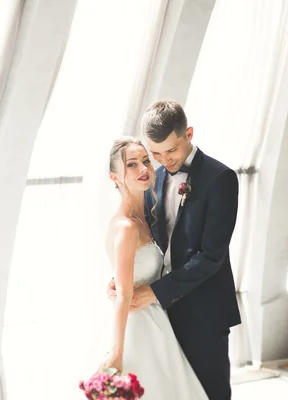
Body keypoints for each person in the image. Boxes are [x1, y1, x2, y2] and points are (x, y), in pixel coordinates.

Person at [108, 100, 241, 400]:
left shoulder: (221, 179)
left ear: (189, 134)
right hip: (160, 319)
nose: (164, 160)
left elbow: (211, 256)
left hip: (204, 312)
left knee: (211, 393)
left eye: (171, 150)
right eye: (155, 153)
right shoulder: (152, 179)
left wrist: (155, 292)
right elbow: (148, 244)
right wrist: (122, 280)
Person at [99, 136, 208, 399]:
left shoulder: (145, 219)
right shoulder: (126, 227)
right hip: (136, 328)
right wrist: (117, 352)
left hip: (157, 321)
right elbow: (124, 294)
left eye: (146, 161)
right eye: (132, 165)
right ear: (115, 178)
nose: (144, 169)